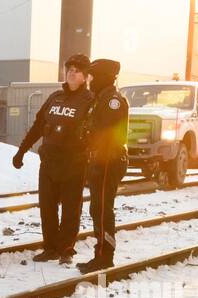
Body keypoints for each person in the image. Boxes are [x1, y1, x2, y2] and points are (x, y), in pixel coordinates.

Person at [13, 54, 94, 263]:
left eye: (76, 70)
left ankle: (66, 249)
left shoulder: (89, 101)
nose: (71, 73)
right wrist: (21, 151)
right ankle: (50, 248)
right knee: (47, 208)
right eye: (69, 69)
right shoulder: (54, 97)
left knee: (70, 209)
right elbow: (38, 126)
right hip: (49, 163)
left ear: (85, 76)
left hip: (73, 165)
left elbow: (96, 135)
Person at [78, 58, 128, 274]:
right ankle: (100, 253)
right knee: (97, 208)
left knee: (102, 210)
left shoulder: (112, 101)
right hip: (101, 160)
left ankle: (105, 257)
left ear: (104, 77)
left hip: (109, 160)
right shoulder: (101, 98)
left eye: (93, 76)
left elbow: (106, 133)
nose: (90, 80)